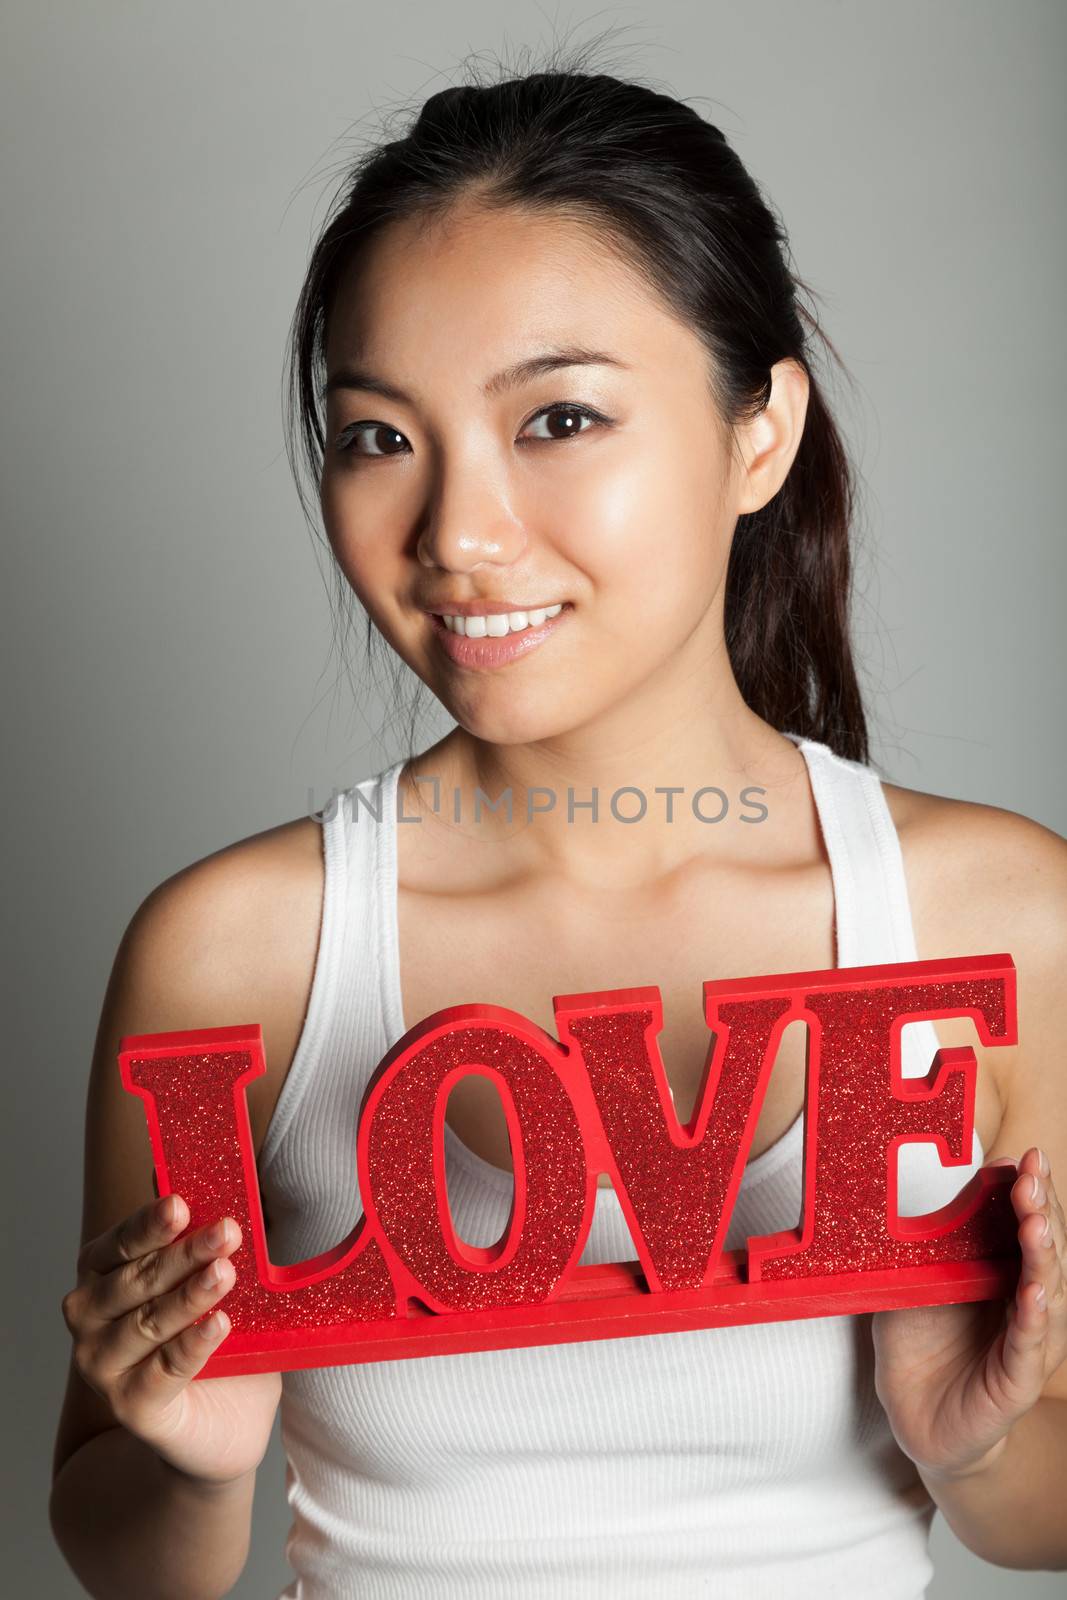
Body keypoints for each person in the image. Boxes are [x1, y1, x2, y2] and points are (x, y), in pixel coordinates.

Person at [50, 47, 1067, 1600]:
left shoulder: (1004, 923)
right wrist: (192, 1462)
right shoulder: (230, 954)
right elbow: (124, 1554)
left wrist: (972, 1447)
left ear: (760, 434)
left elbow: (1035, 1511)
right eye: (378, 435)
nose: (456, 534)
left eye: (560, 420)